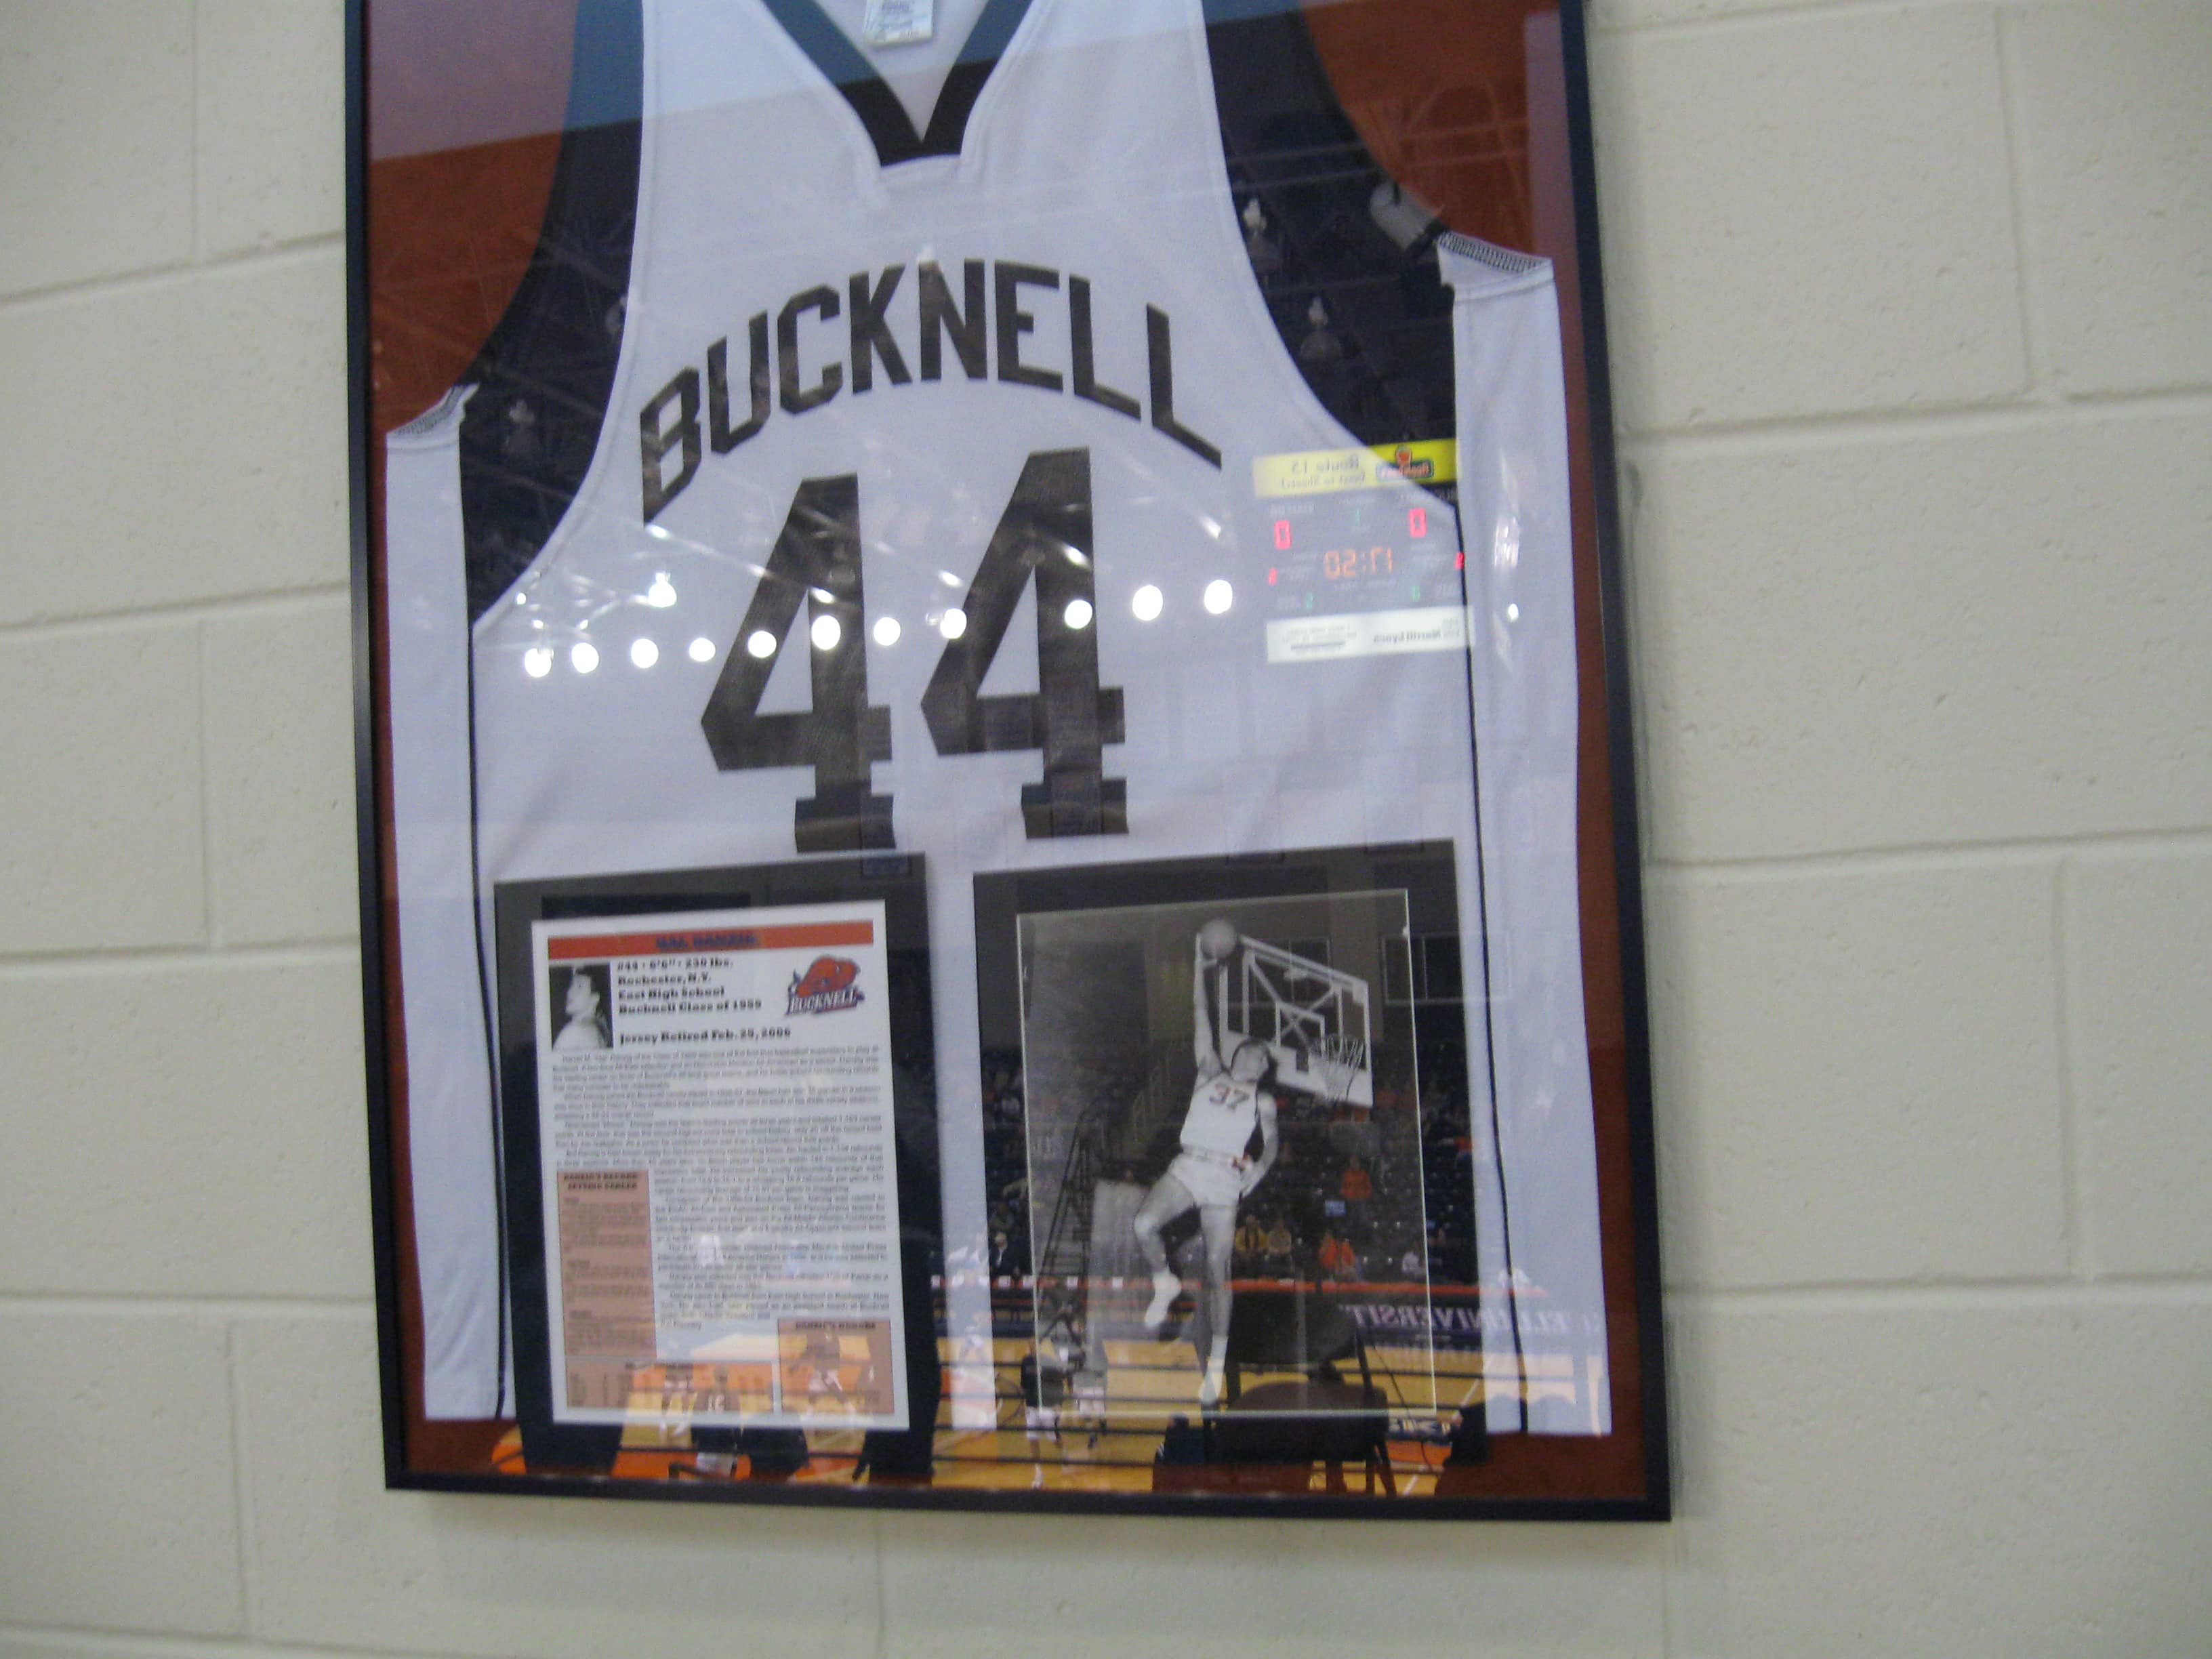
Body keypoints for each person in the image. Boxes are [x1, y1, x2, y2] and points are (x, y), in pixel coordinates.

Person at [1132, 931, 1281, 1408]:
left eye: (1264, 1059)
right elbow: (1200, 1013)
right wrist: (1198, 964)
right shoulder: (1210, 1070)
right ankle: (1165, 1282)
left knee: (1218, 1270)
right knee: (1143, 1224)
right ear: (1239, 1054)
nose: (1260, 1060)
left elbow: (1272, 1144)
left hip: (1223, 1178)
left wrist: (1260, 1169)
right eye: (1256, 1053)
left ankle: (1215, 1366)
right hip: (1189, 1165)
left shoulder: (1263, 1099)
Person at [552, 967, 609, 1051]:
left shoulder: (575, 1030)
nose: (570, 992)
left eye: (579, 987)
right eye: (571, 985)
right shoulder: (598, 1033)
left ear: (595, 999)